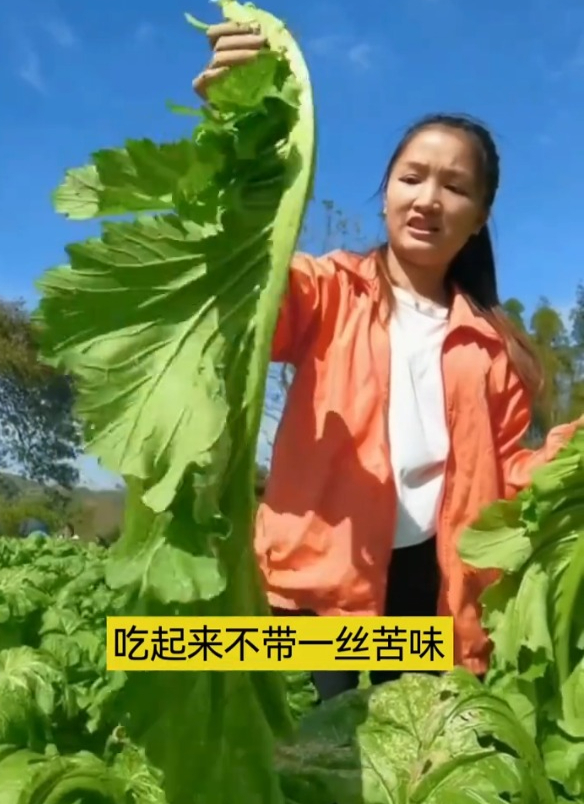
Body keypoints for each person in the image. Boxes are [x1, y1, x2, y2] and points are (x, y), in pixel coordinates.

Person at [192, 23, 584, 701]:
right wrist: (239, 132)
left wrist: (571, 453)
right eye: (413, 177)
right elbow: (245, 289)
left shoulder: (495, 346)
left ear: (480, 215)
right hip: (324, 581)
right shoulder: (326, 289)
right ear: (387, 191)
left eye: (455, 188)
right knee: (323, 763)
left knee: (417, 757)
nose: (429, 198)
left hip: (437, 588)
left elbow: (508, 479)